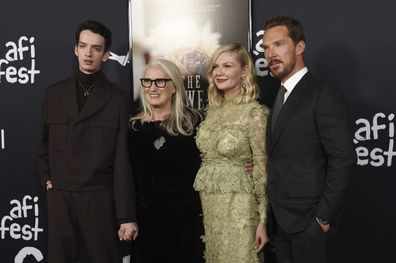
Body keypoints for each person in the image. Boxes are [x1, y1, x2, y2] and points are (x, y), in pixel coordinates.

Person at [37, 20, 138, 263]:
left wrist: (125, 216)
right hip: (61, 197)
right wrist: (46, 177)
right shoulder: (54, 94)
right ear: (76, 50)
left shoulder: (118, 99)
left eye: (96, 48)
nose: (88, 53)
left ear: (106, 55)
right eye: (83, 46)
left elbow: (123, 159)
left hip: (99, 199)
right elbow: (43, 144)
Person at [262, 16, 356, 263]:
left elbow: (343, 157)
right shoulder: (278, 96)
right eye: (266, 48)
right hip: (279, 222)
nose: (270, 53)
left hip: (308, 223)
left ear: (299, 47)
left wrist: (322, 218)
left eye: (279, 44)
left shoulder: (322, 93)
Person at [193, 43, 270, 263]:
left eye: (227, 66)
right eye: (216, 66)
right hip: (210, 206)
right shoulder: (211, 111)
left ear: (244, 71)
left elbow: (262, 168)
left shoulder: (254, 113)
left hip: (241, 208)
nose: (219, 72)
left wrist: (262, 221)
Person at [129, 59, 204, 263]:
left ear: (174, 86)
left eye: (160, 81)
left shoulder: (194, 124)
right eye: (147, 81)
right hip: (146, 224)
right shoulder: (133, 128)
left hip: (186, 224)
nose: (152, 88)